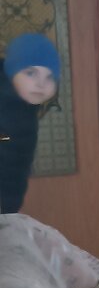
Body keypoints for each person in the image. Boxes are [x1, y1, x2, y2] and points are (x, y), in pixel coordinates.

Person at [0, 32, 61, 213]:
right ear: (11, 72)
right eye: (31, 73)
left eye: (49, 77)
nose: (41, 84)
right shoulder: (6, 106)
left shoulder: (24, 110)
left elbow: (18, 163)